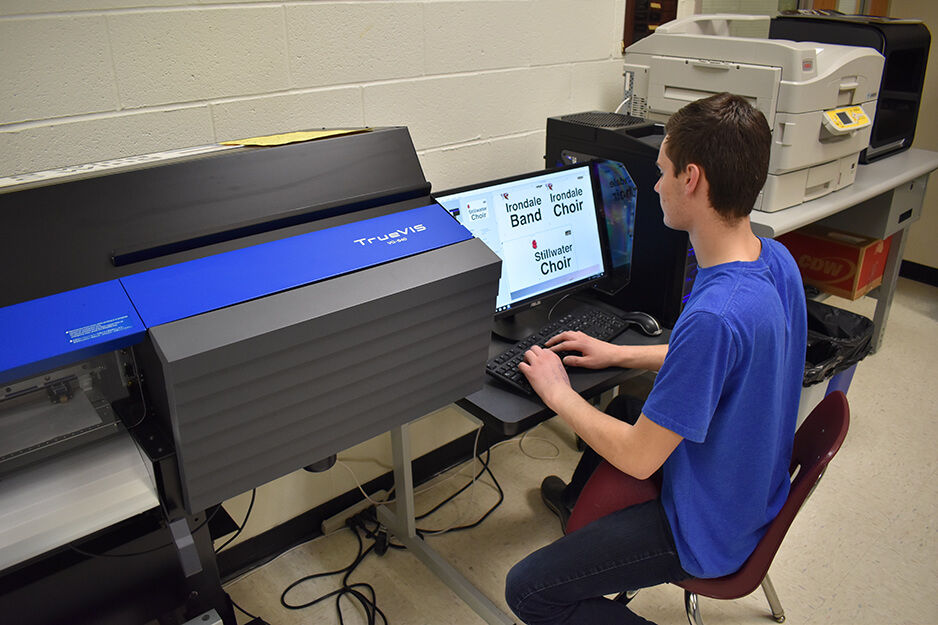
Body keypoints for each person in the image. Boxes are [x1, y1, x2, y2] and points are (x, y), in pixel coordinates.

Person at [504, 92, 807, 625]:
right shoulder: (774, 260)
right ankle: (579, 510)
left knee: (528, 589)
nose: (656, 183)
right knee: (621, 409)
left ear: (692, 179)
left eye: (663, 171)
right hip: (752, 491)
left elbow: (640, 458)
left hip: (706, 527)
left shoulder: (715, 314)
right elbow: (727, 361)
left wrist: (556, 392)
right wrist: (621, 353)